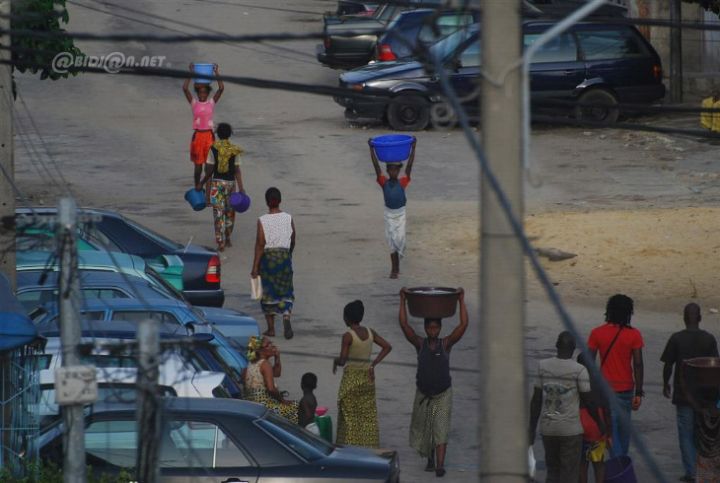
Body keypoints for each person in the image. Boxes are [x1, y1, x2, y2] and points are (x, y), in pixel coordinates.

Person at [399, 287, 468, 477]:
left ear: (440, 328)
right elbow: (404, 325)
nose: (432, 331)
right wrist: (402, 300)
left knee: (441, 429)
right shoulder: (419, 344)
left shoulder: (446, 344)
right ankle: (430, 458)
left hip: (443, 393)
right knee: (427, 428)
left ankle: (440, 465)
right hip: (424, 393)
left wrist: (461, 300)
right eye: (429, 328)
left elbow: (463, 325)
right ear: (425, 328)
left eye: (436, 328)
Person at [529, 332, 602, 483]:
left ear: (556, 346)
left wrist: (531, 429)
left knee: (553, 472)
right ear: (573, 349)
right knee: (569, 474)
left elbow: (536, 401)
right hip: (570, 431)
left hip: (548, 429)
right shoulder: (579, 370)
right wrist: (600, 423)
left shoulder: (543, 366)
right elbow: (589, 402)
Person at [661, 303, 719, 482]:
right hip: (705, 396)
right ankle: (702, 471)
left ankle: (691, 472)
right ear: (700, 318)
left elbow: (668, 365)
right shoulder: (709, 339)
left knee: (685, 434)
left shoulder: (676, 338)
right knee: (701, 434)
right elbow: (716, 366)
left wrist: (666, 384)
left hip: (684, 395)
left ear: (684, 318)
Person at [587, 293, 644, 458]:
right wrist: (639, 392)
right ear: (628, 313)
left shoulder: (597, 333)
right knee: (624, 430)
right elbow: (638, 364)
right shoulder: (634, 335)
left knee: (611, 433)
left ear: (608, 311)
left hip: (605, 390)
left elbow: (589, 362)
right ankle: (621, 465)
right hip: (627, 389)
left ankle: (616, 467)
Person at [333, 300, 392, 448]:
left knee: (349, 416)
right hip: (367, 379)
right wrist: (373, 364)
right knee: (367, 415)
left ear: (347, 318)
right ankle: (369, 446)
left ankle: (350, 446)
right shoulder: (370, 332)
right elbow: (387, 346)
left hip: (351, 380)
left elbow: (343, 360)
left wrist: (336, 361)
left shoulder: (348, 336)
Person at [251, 187, 296, 339]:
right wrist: (288, 253)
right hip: (284, 257)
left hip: (269, 259)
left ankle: (271, 329)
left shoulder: (262, 220)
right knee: (286, 289)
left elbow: (260, 243)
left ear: (267, 202)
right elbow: (293, 238)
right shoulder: (288, 218)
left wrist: (255, 267)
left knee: (268, 292)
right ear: (280, 200)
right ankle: (286, 316)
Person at [369, 136, 416, 279]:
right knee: (392, 242)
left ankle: (397, 266)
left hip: (400, 214)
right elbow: (376, 166)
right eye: (391, 170)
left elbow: (409, 166)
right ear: (388, 171)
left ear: (398, 171)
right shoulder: (383, 182)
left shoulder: (403, 182)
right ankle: (394, 269)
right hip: (389, 214)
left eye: (396, 170)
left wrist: (413, 148)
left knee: (400, 239)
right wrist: (371, 149)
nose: (394, 172)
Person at [198, 122, 245, 252]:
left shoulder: (213, 149)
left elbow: (209, 172)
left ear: (217, 134)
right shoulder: (234, 150)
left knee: (218, 213)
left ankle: (220, 242)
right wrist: (241, 188)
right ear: (230, 135)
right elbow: (237, 170)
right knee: (230, 212)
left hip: (217, 184)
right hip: (231, 184)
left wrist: (204, 188)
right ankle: (228, 237)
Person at [183, 63, 224, 186]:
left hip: (209, 137)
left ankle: (204, 184)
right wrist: (191, 72)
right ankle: (197, 186)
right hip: (198, 137)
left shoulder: (211, 103)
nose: (202, 95)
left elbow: (221, 88)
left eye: (204, 93)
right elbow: (185, 89)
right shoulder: (194, 103)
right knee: (197, 167)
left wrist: (216, 72)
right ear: (197, 93)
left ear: (207, 94)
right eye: (200, 93)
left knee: (209, 166)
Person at [242, 336, 298, 423]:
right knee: (296, 407)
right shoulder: (265, 364)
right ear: (260, 350)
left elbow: (276, 373)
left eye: (271, 343)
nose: (272, 346)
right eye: (268, 345)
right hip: (264, 406)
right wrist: (283, 401)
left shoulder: (251, 365)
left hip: (252, 404)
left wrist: (277, 357)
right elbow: (271, 389)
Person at [577, 352, 611, 483]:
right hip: (598, 425)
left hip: (580, 423)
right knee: (598, 463)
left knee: (582, 464)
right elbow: (607, 410)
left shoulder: (575, 380)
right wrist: (609, 432)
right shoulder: (601, 382)